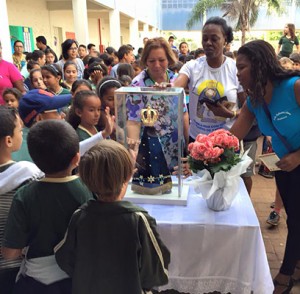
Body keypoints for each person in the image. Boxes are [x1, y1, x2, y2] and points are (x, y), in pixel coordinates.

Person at [54, 140, 170, 294]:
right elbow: (156, 270)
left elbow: (65, 258)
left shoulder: (79, 216)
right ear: (129, 175)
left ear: (86, 180)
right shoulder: (138, 219)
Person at [231, 39, 300, 294]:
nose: (237, 73)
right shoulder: (254, 102)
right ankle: (297, 264)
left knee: (298, 220)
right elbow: (232, 136)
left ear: (259, 65)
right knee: (294, 217)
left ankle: (284, 276)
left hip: (298, 162)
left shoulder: (294, 87)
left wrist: (298, 157)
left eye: (242, 67)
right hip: (283, 166)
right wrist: (205, 152)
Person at [2, 119, 93, 294]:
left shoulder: (25, 195)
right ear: (76, 158)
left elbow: (10, 253)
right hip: (78, 281)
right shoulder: (88, 191)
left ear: (34, 158)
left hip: (35, 284)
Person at [126, 37, 189, 194]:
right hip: (149, 148)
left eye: (162, 60)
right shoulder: (137, 84)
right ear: (145, 61)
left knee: (175, 190)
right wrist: (133, 152)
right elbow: (133, 122)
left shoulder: (175, 80)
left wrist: (188, 146)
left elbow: (183, 114)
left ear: (169, 59)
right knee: (151, 190)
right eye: (152, 60)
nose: (157, 65)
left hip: (175, 147)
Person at [0, 106, 43, 294]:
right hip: (16, 269)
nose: (22, 134)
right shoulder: (28, 174)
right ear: (9, 140)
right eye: (20, 129)